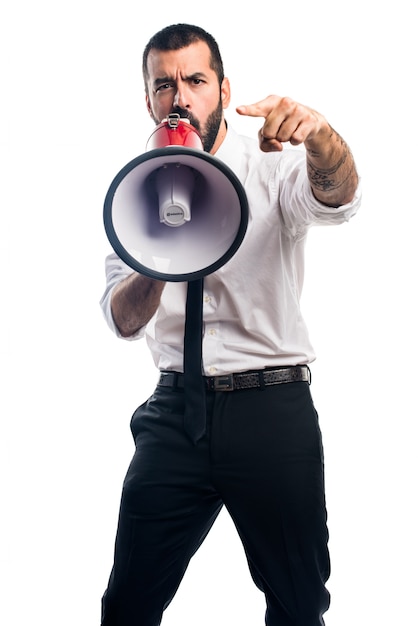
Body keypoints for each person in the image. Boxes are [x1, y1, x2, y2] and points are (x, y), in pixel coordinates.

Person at [99, 23, 361, 626]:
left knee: (298, 604)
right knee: (128, 603)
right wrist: (162, 250)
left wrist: (319, 137)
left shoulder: (271, 166)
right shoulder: (134, 188)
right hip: (174, 413)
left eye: (195, 80)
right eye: (164, 85)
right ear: (149, 101)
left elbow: (338, 198)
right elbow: (121, 318)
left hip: (272, 407)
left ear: (222, 88)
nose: (180, 97)